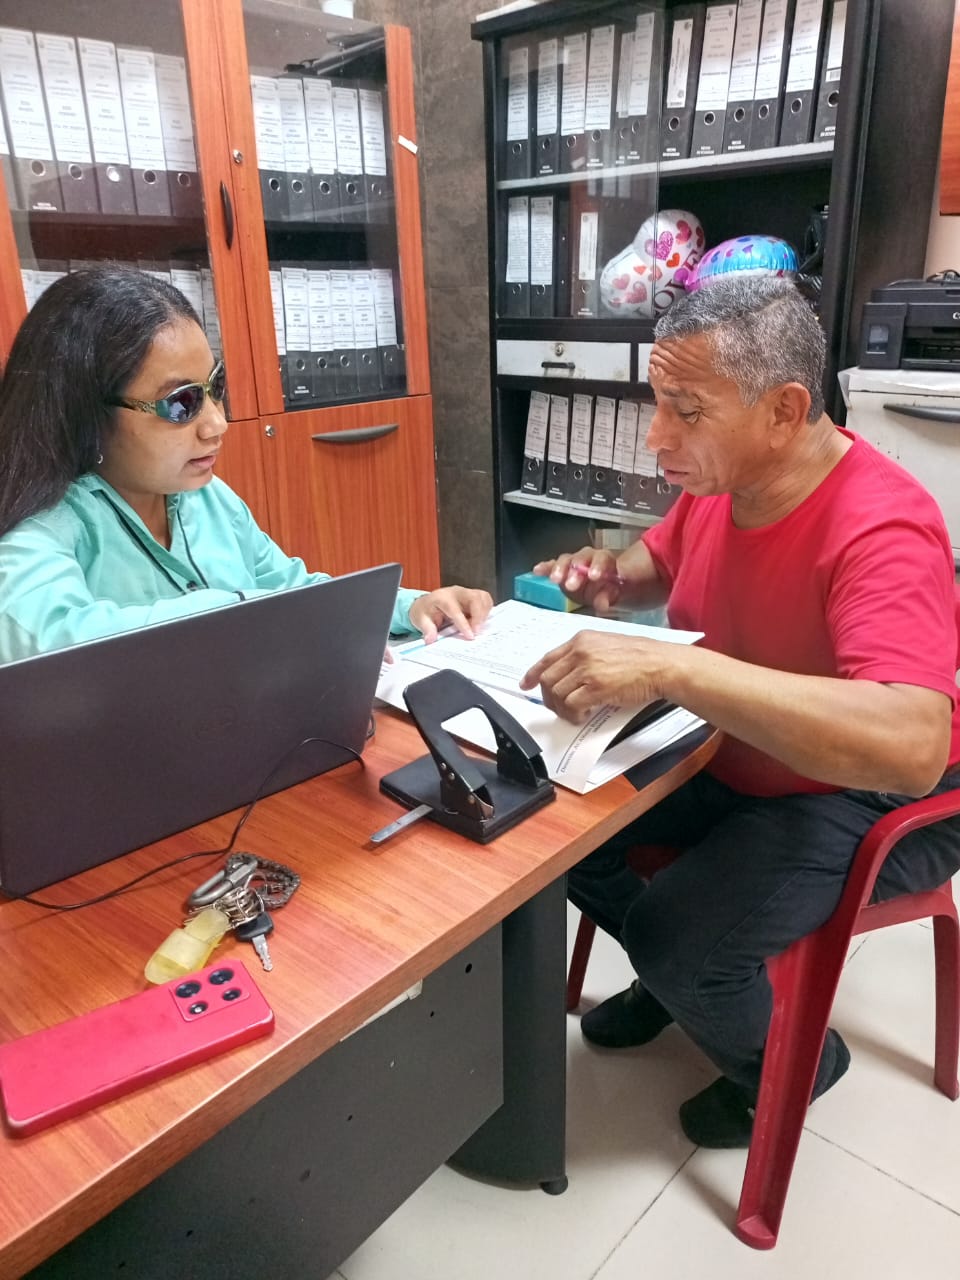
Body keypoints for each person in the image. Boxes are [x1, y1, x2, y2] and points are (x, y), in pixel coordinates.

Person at [519, 275, 960, 1148]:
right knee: (552, 835)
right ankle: (678, 984)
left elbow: (913, 744)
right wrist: (610, 577)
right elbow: (662, 559)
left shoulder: (882, 528)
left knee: (677, 938)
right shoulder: (727, 478)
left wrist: (677, 670)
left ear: (784, 411)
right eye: (658, 404)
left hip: (869, 796)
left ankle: (795, 1064)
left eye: (685, 412)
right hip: (741, 752)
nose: (656, 437)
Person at [0, 266, 491, 664]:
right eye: (182, 403)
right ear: (86, 412)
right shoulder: (41, 527)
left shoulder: (206, 498)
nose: (217, 423)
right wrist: (244, 613)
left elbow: (292, 593)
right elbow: (48, 644)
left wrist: (409, 606)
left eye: (214, 388)